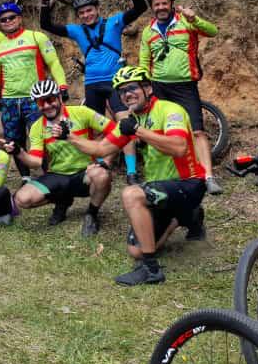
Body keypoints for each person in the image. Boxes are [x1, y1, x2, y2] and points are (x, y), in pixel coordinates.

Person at [67, 66, 207, 286]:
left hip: (188, 183)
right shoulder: (130, 121)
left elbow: (179, 147)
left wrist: (138, 131)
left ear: (148, 88)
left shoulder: (170, 110)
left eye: (132, 88)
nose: (127, 94)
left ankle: (151, 270)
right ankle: (187, 217)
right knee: (136, 249)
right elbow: (101, 149)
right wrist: (70, 137)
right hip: (161, 190)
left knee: (132, 194)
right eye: (122, 92)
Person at [39, 0, 147, 183]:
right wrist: (44, 1)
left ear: (97, 9)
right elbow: (46, 24)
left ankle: (132, 171)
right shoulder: (76, 30)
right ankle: (97, 164)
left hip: (115, 82)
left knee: (124, 123)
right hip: (92, 84)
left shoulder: (114, 22)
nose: (86, 15)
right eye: (81, 13)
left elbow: (140, 8)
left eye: (89, 10)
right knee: (93, 128)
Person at [139, 0, 222, 194]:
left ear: (171, 4)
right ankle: (167, 175)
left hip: (185, 85)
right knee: (159, 132)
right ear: (152, 7)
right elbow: (143, 62)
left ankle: (209, 177)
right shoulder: (148, 31)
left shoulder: (186, 21)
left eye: (164, 3)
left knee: (197, 131)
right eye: (156, 4)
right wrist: (144, 85)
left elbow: (213, 31)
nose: (161, 7)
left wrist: (194, 18)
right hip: (158, 86)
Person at [9, 80, 113, 235]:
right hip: (58, 175)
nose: (46, 106)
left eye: (50, 100)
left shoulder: (81, 113)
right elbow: (36, 162)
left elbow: (116, 131)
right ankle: (62, 201)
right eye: (41, 102)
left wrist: (104, 161)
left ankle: (91, 214)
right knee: (22, 199)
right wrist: (19, 152)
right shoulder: (37, 126)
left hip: (85, 173)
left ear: (59, 97)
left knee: (102, 175)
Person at [0, 1, 68, 176]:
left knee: (43, 136)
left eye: (11, 17)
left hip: (36, 98)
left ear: (20, 18)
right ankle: (25, 177)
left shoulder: (36, 37)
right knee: (14, 141)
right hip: (8, 100)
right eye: (3, 20)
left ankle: (50, 173)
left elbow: (53, 62)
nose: (8, 21)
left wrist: (62, 84)